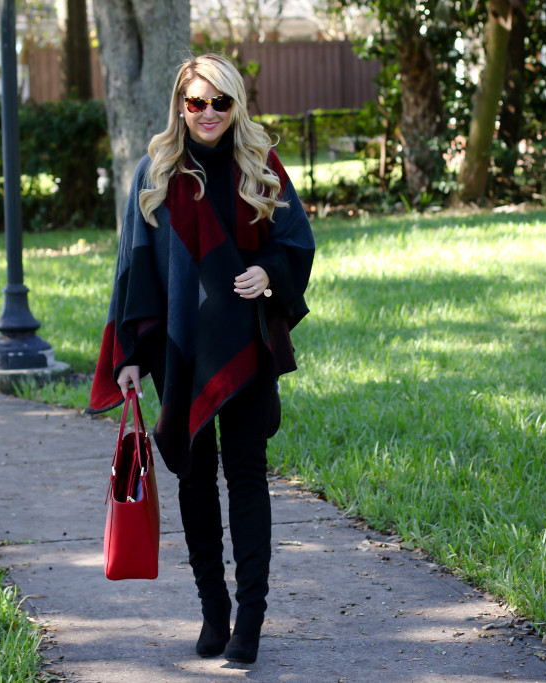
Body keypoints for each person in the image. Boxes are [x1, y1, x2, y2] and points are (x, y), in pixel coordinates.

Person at [87, 53, 314, 665]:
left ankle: (251, 622)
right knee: (194, 474)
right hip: (180, 346)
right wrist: (129, 354)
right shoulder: (156, 170)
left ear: (236, 105)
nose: (208, 113)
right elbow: (133, 267)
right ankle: (214, 609)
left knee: (246, 474)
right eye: (196, 102)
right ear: (179, 106)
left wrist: (268, 272)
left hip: (246, 345)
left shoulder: (261, 166)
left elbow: (297, 245)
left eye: (221, 102)